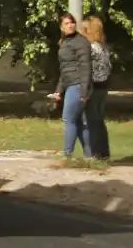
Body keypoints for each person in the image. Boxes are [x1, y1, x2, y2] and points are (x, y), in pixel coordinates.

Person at [48, 12, 93, 158]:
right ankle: (89, 156)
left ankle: (67, 156)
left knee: (68, 118)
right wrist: (59, 90)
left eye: (72, 22)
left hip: (78, 84)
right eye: (66, 23)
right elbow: (64, 69)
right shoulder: (65, 42)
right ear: (62, 27)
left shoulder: (81, 42)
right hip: (70, 84)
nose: (70, 25)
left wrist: (84, 92)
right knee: (78, 122)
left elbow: (86, 67)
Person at [81, 16, 112, 160]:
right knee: (99, 120)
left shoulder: (91, 48)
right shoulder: (103, 48)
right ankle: (104, 152)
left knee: (91, 121)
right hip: (103, 87)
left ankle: (94, 153)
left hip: (93, 87)